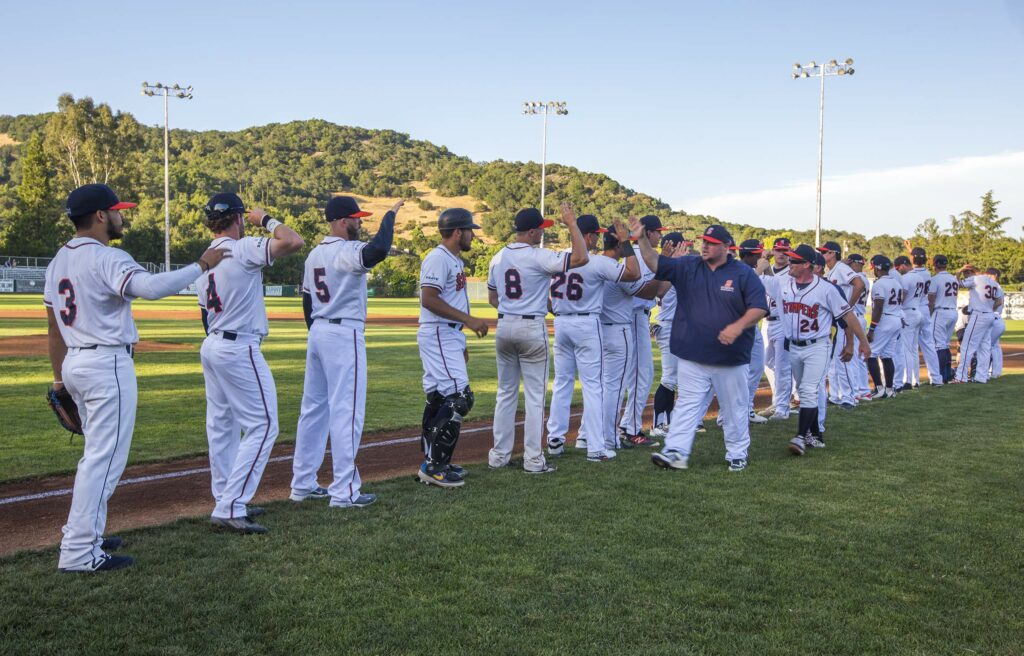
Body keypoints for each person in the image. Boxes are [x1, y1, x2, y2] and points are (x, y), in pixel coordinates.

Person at [44, 183, 229, 571]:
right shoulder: (106, 257)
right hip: (106, 365)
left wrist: (60, 381)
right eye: (117, 210)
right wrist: (202, 265)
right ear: (100, 216)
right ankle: (80, 553)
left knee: (94, 458)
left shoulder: (58, 259)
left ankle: (84, 533)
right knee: (104, 461)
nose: (121, 215)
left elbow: (53, 328)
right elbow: (149, 288)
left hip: (76, 364)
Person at [196, 193, 304, 534]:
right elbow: (293, 241)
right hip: (238, 347)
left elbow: (203, 313)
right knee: (265, 424)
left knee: (222, 427)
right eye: (244, 217)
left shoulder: (207, 259)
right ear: (239, 218)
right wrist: (267, 220)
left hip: (213, 343)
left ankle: (225, 497)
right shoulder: (239, 249)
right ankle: (231, 505)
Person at [289, 196, 401, 506]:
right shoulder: (346, 250)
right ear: (342, 222)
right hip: (343, 333)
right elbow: (377, 250)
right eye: (356, 218)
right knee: (346, 412)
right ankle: (344, 492)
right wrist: (389, 217)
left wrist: (316, 333)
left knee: (312, 411)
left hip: (319, 332)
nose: (360, 222)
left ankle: (302, 484)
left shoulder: (314, 254)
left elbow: (308, 302)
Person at [636, 223, 768, 473]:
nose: (704, 245)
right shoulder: (689, 265)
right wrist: (642, 239)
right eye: (703, 241)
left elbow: (759, 306)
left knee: (734, 407)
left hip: (729, 358)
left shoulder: (742, 273)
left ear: (726, 247)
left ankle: (737, 453)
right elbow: (656, 263)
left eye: (711, 242)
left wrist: (738, 326)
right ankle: (675, 452)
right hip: (692, 354)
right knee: (687, 404)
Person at [487, 203, 588, 473]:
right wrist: (572, 224)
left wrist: (513, 309)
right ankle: (533, 460)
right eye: (540, 230)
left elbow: (492, 297)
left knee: (505, 393)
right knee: (534, 397)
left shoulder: (497, 256)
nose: (542, 234)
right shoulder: (537, 256)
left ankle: (499, 456)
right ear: (531, 232)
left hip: (504, 325)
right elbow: (580, 258)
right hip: (531, 328)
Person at [546, 215, 639, 462]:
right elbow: (633, 273)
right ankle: (596, 447)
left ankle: (555, 439)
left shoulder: (557, 257)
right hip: (586, 322)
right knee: (593, 385)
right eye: (595, 235)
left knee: (563, 382)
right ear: (587, 236)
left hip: (561, 321)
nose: (598, 239)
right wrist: (626, 242)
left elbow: (546, 297)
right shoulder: (595, 261)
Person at [770, 245, 870, 456]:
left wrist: (862, 341)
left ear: (808, 265)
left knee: (807, 390)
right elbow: (756, 281)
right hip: (794, 346)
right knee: (805, 388)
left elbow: (848, 316)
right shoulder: (783, 282)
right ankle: (815, 435)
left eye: (795, 261)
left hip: (818, 345)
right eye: (790, 260)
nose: (790, 263)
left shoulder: (826, 289)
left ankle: (800, 436)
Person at [415, 208, 489, 487]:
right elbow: (429, 299)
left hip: (448, 335)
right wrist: (468, 321)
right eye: (470, 230)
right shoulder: (437, 259)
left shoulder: (452, 260)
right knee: (460, 397)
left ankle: (436, 461)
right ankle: (434, 466)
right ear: (458, 232)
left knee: (438, 397)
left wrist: (461, 339)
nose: (473, 235)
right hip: (439, 334)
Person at [618, 215, 668, 444]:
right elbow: (653, 292)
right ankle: (631, 429)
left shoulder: (638, 255)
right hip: (633, 317)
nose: (660, 235)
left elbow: (661, 291)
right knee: (640, 376)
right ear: (648, 233)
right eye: (658, 231)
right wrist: (665, 266)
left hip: (635, 318)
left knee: (632, 377)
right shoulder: (639, 256)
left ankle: (626, 426)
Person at [818, 241, 866, 408]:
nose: (822, 255)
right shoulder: (833, 270)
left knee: (844, 358)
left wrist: (848, 307)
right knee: (835, 360)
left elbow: (859, 284)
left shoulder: (841, 268)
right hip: (837, 320)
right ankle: (838, 395)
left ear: (833, 253)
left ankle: (849, 397)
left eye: (824, 252)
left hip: (846, 319)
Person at [650, 232, 685, 439]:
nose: (685, 250)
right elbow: (660, 292)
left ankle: (669, 422)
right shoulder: (668, 267)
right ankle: (657, 424)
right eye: (681, 246)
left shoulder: (677, 267)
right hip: (669, 325)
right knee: (669, 378)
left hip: (679, 326)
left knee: (682, 378)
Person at [760, 238, 794, 420]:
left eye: (785, 250)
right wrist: (765, 265)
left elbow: (775, 289)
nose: (781, 254)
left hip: (783, 321)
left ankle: (782, 407)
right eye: (778, 250)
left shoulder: (791, 272)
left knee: (782, 367)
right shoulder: (770, 270)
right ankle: (779, 400)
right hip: (767, 321)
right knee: (767, 363)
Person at [954, 264, 1003, 383]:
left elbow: (956, 284)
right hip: (990, 315)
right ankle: (981, 377)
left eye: (967, 273)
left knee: (967, 346)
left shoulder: (976, 279)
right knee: (984, 347)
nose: (966, 275)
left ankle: (961, 377)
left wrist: (960, 270)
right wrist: (989, 308)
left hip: (978, 315)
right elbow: (999, 301)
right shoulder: (995, 284)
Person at [865, 255, 904, 399]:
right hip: (896, 319)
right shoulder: (896, 282)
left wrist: (872, 328)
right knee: (887, 356)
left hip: (885, 319)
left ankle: (879, 388)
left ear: (877, 268)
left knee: (871, 353)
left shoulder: (879, 284)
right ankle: (889, 389)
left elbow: (878, 307)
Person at [906, 244, 943, 385]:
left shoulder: (912, 274)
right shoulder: (927, 273)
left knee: (910, 347)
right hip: (925, 309)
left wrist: (911, 254)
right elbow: (917, 260)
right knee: (929, 345)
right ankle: (936, 378)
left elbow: (913, 263)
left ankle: (912, 380)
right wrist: (912, 252)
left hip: (913, 308)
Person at [893, 255, 926, 390]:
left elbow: (903, 296)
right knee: (913, 349)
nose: (898, 270)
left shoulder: (906, 277)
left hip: (908, 312)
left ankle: (907, 380)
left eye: (898, 267)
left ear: (904, 264)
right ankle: (915, 380)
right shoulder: (919, 276)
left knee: (906, 348)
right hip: (917, 310)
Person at [846, 254, 873, 400]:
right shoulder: (864, 279)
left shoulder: (855, 278)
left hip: (854, 316)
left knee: (854, 357)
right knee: (860, 356)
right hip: (860, 317)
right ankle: (864, 389)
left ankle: (855, 391)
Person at [929, 255, 959, 383]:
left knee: (939, 345)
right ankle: (946, 375)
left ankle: (939, 377)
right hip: (953, 312)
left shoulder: (935, 279)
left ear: (935, 264)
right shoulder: (954, 279)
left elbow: (931, 300)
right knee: (945, 344)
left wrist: (928, 315)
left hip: (940, 312)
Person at [987, 268, 1006, 379]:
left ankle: (991, 372)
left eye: (989, 275)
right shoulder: (998, 286)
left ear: (994, 275)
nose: (987, 277)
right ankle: (997, 371)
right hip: (998, 318)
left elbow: (997, 302)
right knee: (995, 346)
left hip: (993, 318)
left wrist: (987, 308)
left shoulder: (994, 286)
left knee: (988, 345)